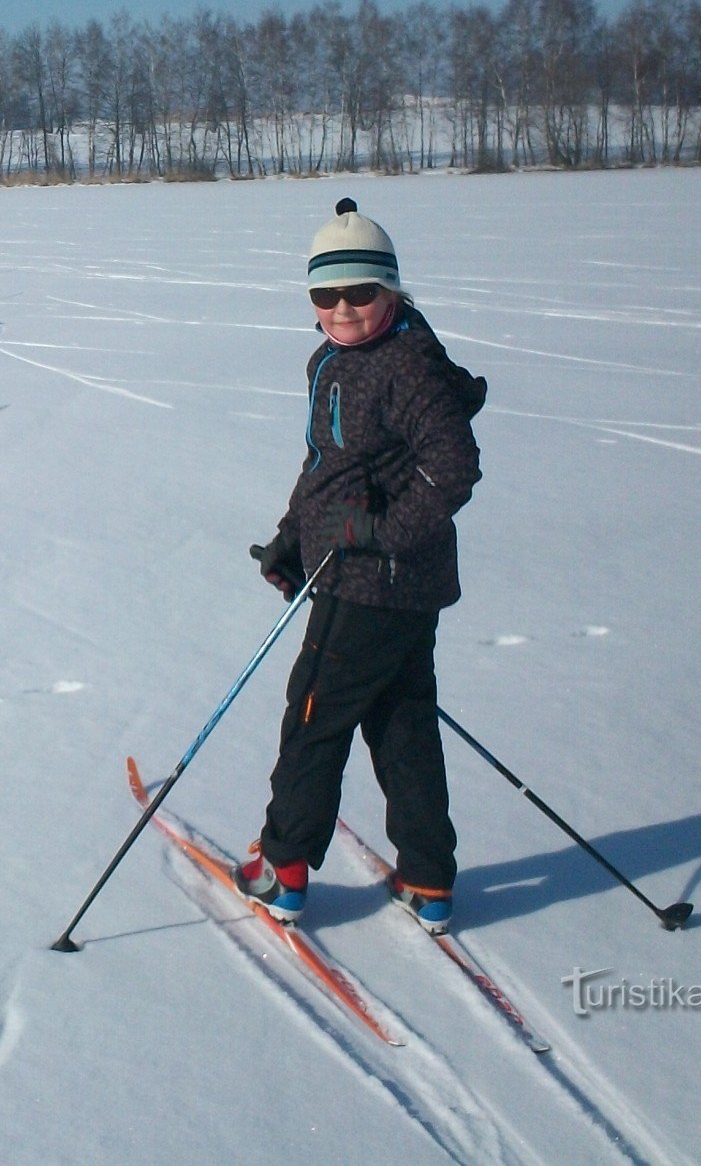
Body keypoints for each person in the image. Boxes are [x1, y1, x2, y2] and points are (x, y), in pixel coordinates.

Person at [237, 198, 485, 934]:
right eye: (325, 294)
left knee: (314, 716)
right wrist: (294, 536)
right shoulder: (338, 360)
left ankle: (282, 870)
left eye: (361, 293)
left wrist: (375, 532)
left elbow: (455, 469)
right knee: (401, 722)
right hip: (374, 578)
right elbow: (328, 467)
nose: (343, 309)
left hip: (374, 583)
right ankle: (427, 877)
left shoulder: (407, 368)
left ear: (393, 292)